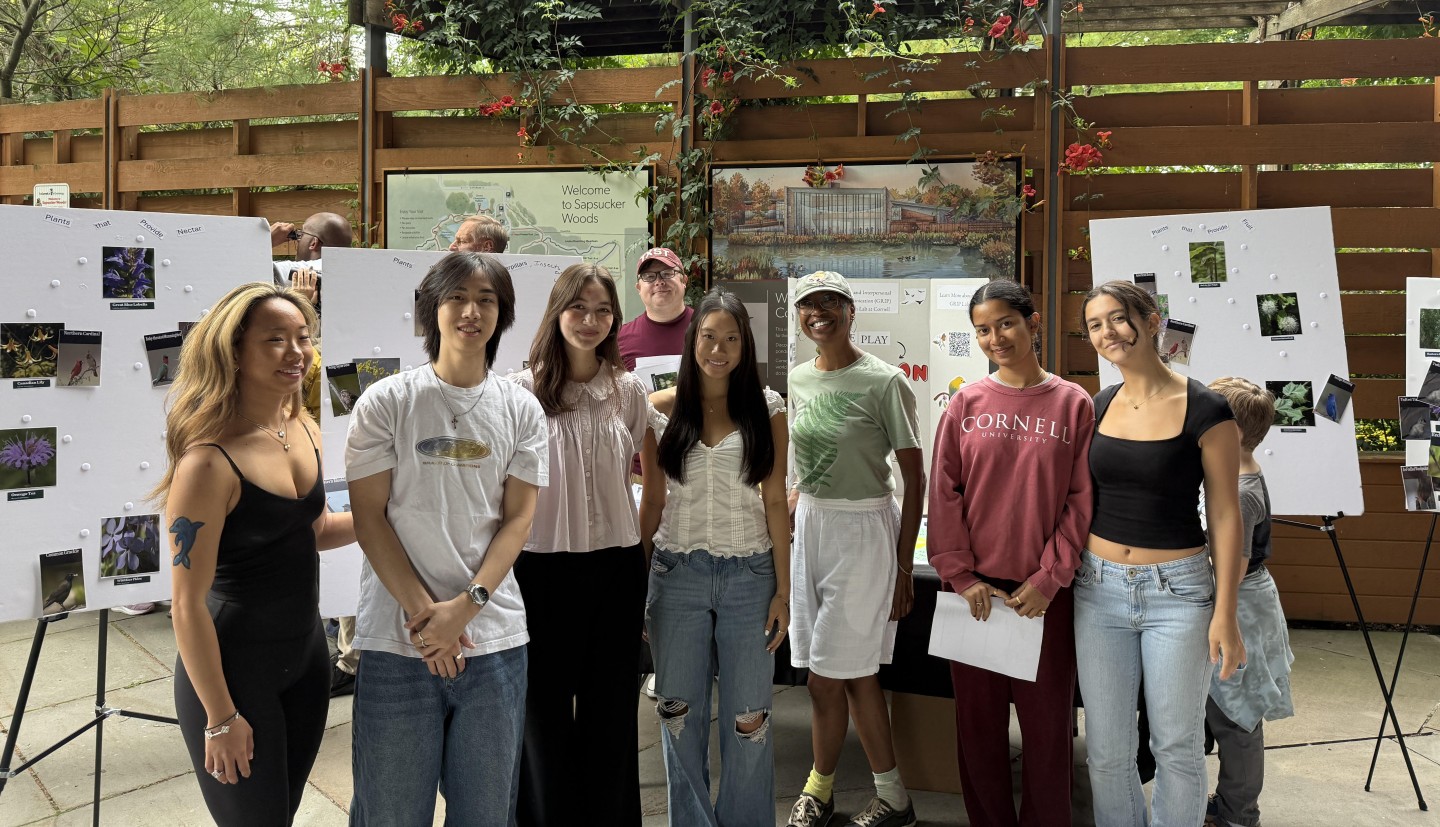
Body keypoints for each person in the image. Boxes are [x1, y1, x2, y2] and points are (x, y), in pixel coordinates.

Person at [345, 252, 546, 825]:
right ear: (432, 308)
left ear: (502, 314)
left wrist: (466, 609)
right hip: (396, 642)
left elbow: (517, 521)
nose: (471, 310)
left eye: (486, 299)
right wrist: (426, 622)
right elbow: (369, 517)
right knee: (389, 813)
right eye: (457, 296)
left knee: (485, 814)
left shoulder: (522, 409)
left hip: (495, 642)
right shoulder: (386, 401)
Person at [156, 282, 355, 825]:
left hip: (308, 661)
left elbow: (312, 531)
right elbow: (185, 605)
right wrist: (220, 717)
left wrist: (390, 516)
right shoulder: (207, 462)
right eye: (275, 340)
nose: (296, 353)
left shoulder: (302, 428)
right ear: (234, 352)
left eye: (303, 337)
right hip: (233, 672)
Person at [1077, 279, 1246, 827]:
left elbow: (1224, 515)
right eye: (1096, 325)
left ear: (1151, 320)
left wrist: (1226, 613)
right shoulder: (1098, 406)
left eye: (1118, 318)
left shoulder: (1207, 408)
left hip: (1180, 592)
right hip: (1097, 591)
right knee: (1106, 751)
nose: (1108, 333)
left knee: (1176, 747)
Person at [927, 279, 1094, 827]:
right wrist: (959, 575)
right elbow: (943, 492)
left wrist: (1050, 579)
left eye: (1005, 323)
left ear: (1032, 322)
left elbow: (1081, 499)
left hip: (1044, 597)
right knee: (977, 734)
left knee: (1049, 735)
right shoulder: (965, 403)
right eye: (982, 329)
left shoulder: (1073, 405)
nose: (994, 337)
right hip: (975, 594)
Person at [638, 288, 790, 826]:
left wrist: (783, 590)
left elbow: (775, 501)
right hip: (675, 576)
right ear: (691, 340)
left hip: (751, 575)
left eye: (731, 338)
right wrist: (641, 585)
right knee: (678, 714)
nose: (718, 349)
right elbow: (653, 500)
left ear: (745, 345)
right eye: (708, 337)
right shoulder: (658, 410)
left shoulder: (768, 410)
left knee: (751, 719)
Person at [509, 263, 649, 826]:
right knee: (541, 715)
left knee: (611, 711)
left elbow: (639, 472)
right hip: (538, 568)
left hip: (616, 567)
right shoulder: (521, 392)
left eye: (602, 310)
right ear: (557, 312)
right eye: (578, 308)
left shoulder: (628, 389)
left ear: (615, 318)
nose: (590, 321)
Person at [786, 271, 924, 827]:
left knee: (824, 676)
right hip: (812, 529)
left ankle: (818, 790)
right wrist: (796, 500)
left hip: (865, 532)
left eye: (830, 304)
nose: (818, 313)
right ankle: (894, 797)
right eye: (808, 306)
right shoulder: (798, 379)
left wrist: (903, 565)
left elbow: (914, 478)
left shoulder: (884, 382)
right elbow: (802, 456)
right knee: (856, 673)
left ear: (850, 311)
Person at [1203, 377, 1295, 827]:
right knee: (1230, 710)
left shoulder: (1239, 489)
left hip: (1239, 607)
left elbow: (1232, 571)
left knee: (1235, 716)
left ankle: (1239, 813)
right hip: (1246, 600)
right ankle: (1231, 802)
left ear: (1232, 432)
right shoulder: (1238, 471)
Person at [618, 247, 693, 371]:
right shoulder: (621, 339)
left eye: (667, 273)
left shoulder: (707, 328)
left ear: (684, 281)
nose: (659, 281)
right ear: (639, 288)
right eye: (648, 276)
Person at [269, 212, 353, 306]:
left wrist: (267, 238)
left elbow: (254, 267)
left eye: (302, 234)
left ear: (313, 243)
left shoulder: (300, 272)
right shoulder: (352, 274)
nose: (297, 240)